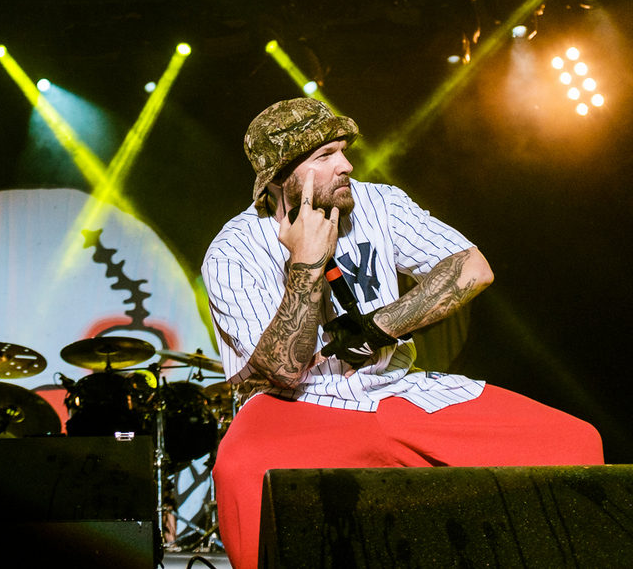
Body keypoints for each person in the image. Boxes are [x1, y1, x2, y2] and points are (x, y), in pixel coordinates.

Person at [201, 98, 603, 569]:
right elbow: (283, 372)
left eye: (344, 150)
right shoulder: (232, 252)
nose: (346, 165)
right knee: (241, 472)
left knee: (574, 443)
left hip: (398, 390)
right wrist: (306, 263)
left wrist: (379, 325)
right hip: (298, 406)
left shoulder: (379, 203)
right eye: (325, 156)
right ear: (279, 175)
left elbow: (471, 268)